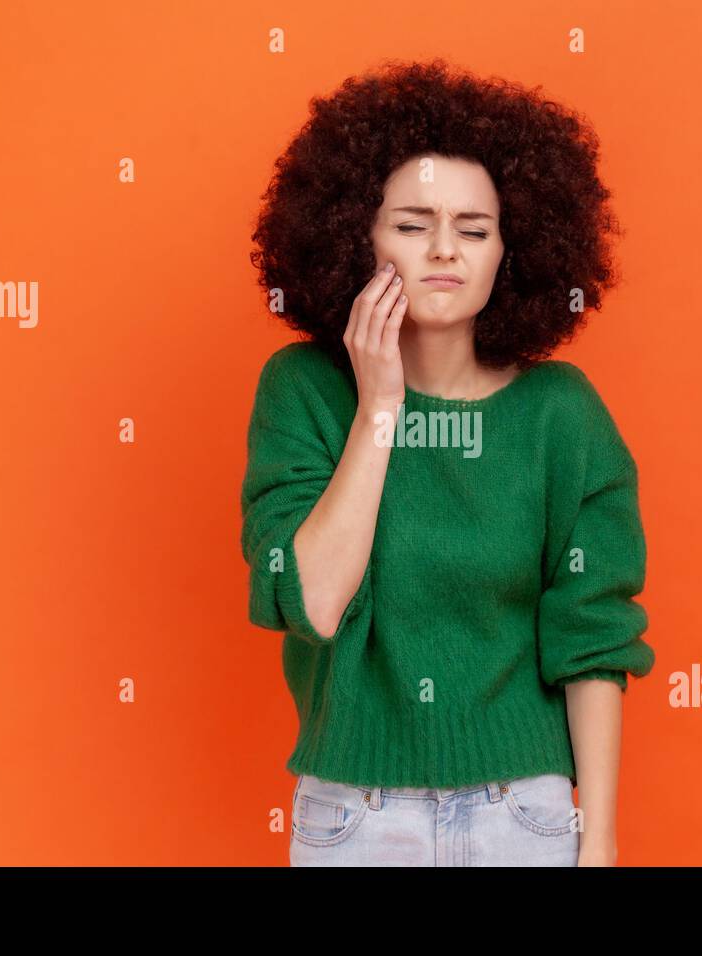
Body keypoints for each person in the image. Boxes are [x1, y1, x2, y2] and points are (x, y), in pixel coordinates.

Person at [241, 58, 655, 866]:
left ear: (512, 248)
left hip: (526, 816)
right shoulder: (304, 393)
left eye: (473, 228)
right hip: (352, 820)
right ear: (355, 231)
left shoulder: (559, 413)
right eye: (410, 223)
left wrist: (597, 839)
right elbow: (314, 601)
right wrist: (380, 408)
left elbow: (592, 634)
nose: (444, 251)